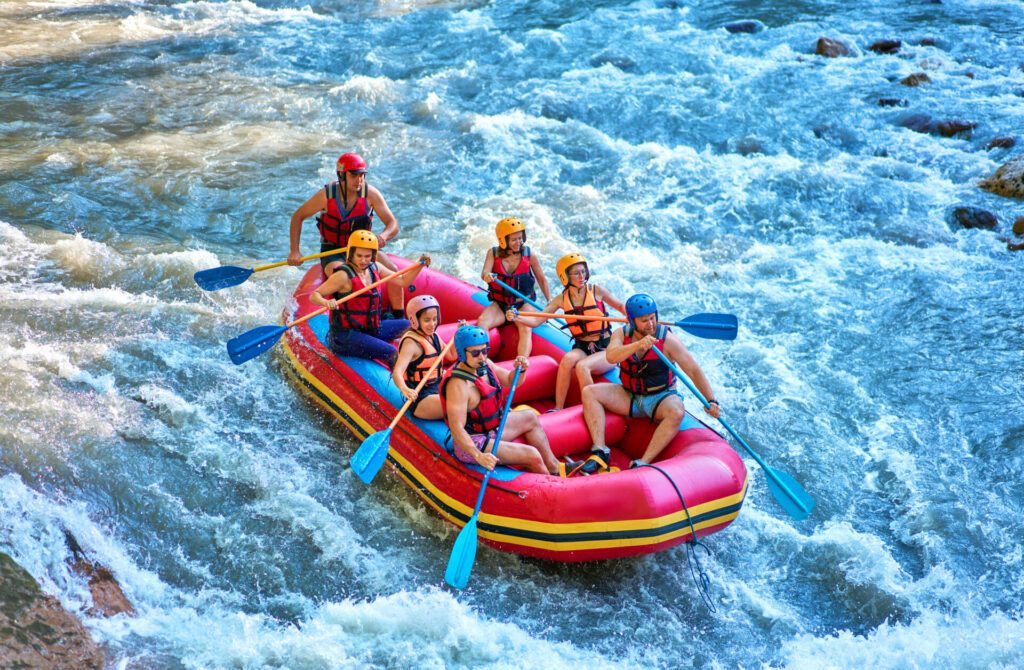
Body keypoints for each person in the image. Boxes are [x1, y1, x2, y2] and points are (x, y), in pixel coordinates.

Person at [581, 293, 721, 471]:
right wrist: (637, 345)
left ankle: (643, 461)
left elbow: (693, 369)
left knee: (677, 411)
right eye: (644, 320)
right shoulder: (620, 334)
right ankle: (600, 450)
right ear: (632, 322)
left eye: (653, 318)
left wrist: (711, 400)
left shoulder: (668, 340)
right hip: (629, 395)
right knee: (589, 392)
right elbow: (611, 356)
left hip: (660, 398)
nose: (651, 324)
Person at [440, 325, 567, 476]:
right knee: (532, 455)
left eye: (485, 350)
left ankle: (554, 468)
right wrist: (478, 456)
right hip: (474, 442)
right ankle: (552, 488)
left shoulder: (486, 364)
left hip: (491, 429)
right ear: (462, 353)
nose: (481, 357)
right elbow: (457, 428)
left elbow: (510, 380)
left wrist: (520, 370)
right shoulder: (458, 385)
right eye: (475, 353)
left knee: (530, 417)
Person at [288, 152, 404, 314]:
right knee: (345, 275)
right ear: (342, 175)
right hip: (333, 252)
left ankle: (399, 317)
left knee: (394, 273)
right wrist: (295, 250)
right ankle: (348, 319)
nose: (359, 180)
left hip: (363, 248)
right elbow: (298, 217)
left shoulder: (371, 194)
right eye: (354, 175)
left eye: (362, 175)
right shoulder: (325, 197)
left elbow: (393, 224)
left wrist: (382, 236)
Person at [309, 230, 427, 365]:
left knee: (411, 326)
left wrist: (420, 265)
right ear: (351, 253)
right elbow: (314, 295)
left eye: (367, 256)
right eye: (359, 256)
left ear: (373, 255)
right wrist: (326, 302)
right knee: (390, 351)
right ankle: (404, 382)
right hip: (345, 336)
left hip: (371, 329)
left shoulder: (375, 267)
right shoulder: (343, 276)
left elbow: (403, 281)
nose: (363, 260)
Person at [538, 252, 626, 412]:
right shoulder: (561, 299)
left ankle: (592, 408)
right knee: (567, 360)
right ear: (565, 277)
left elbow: (620, 306)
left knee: (582, 366)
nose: (582, 276)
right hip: (583, 348)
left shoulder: (597, 290)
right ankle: (558, 407)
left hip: (606, 350)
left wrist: (633, 317)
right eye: (576, 273)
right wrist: (517, 317)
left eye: (583, 271)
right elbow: (537, 319)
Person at [478, 217, 551, 359]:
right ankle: (482, 360)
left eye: (520, 238)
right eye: (514, 240)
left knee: (525, 327)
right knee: (482, 322)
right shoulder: (492, 253)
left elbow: (542, 279)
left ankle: (521, 364)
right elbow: (484, 273)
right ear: (503, 240)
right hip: (500, 304)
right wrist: (487, 276)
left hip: (522, 304)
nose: (519, 242)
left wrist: (549, 302)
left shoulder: (530, 255)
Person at [391, 295, 458, 420]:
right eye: (427, 320)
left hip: (438, 385)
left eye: (435, 319)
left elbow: (452, 356)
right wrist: (405, 389)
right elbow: (397, 372)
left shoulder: (435, 336)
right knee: (459, 404)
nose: (432, 324)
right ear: (415, 320)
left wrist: (459, 335)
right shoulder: (411, 343)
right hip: (421, 397)